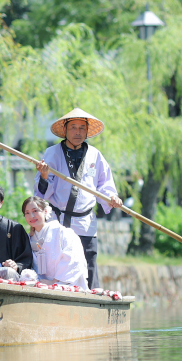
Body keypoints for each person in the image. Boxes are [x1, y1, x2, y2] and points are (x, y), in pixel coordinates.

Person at [34, 108, 122, 289]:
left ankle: (89, 302)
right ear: (65, 130)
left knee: (88, 266)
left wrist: (112, 197)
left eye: (82, 128)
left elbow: (104, 185)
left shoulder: (95, 155)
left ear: (87, 131)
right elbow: (42, 192)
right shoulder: (52, 153)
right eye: (73, 127)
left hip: (85, 222)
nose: (78, 132)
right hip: (59, 221)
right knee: (57, 265)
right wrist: (43, 176)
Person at [22, 196, 88, 290]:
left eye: (35, 211)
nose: (31, 216)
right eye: (27, 213)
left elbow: (73, 257)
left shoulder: (61, 232)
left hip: (64, 284)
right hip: (40, 285)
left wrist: (55, 281)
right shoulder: (28, 238)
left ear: (45, 211)